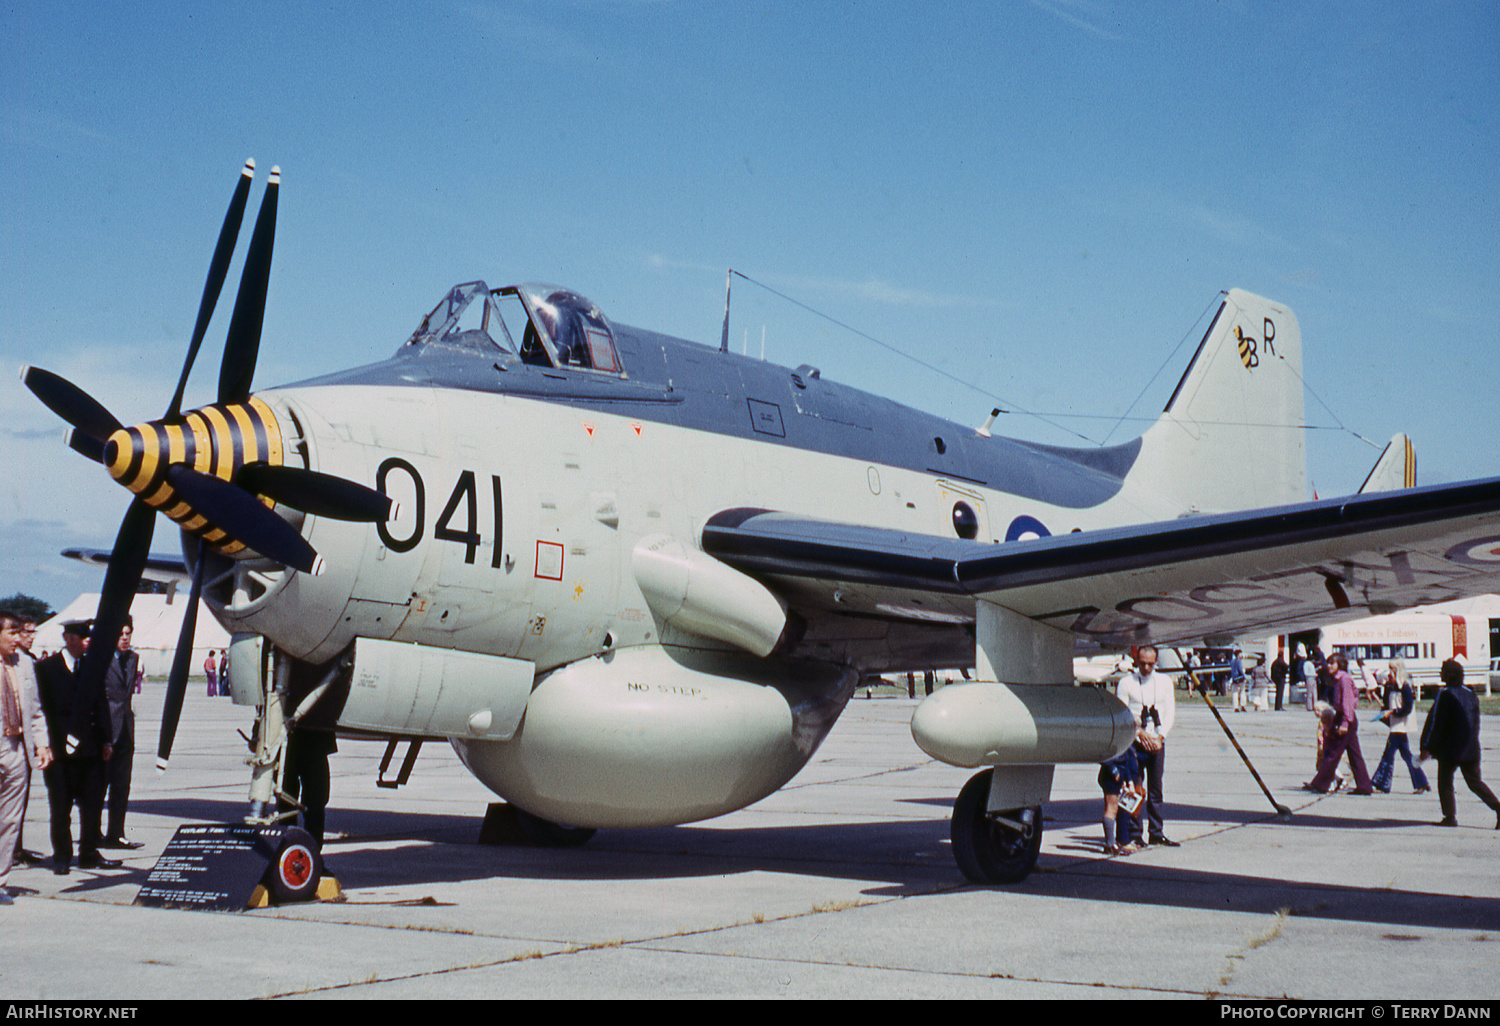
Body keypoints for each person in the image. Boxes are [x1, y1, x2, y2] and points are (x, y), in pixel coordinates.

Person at [34, 620, 119, 873]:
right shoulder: (46, 669)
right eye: (83, 637)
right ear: (68, 638)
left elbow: (101, 704)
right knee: (60, 806)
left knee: (92, 804)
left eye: (89, 637)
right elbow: (41, 710)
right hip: (59, 752)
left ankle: (89, 853)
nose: (88, 641)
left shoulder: (91, 668)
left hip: (90, 749)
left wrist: (106, 740)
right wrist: (44, 745)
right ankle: (62, 856)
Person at [0, 612, 53, 902]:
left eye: (22, 633)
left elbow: (35, 710)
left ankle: (0, 881)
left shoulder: (26, 664)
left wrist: (41, 745)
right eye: (12, 633)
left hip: (16, 747)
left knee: (10, 818)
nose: (19, 639)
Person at [1418, 658, 1500, 829]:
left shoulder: (1445, 694)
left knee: (1445, 782)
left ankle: (1450, 817)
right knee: (1475, 783)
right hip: (1471, 747)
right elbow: (1475, 722)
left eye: (1442, 671)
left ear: (1448, 675)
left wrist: (1426, 747)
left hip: (1451, 750)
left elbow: (1435, 723)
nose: (1440, 674)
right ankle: (1498, 807)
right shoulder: (1471, 694)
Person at [1116, 645, 1180, 846]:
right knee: (1135, 789)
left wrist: (1160, 737)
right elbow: (1122, 713)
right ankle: (1135, 833)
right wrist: (1139, 733)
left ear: (1156, 663)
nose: (1146, 668)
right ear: (1136, 662)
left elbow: (1170, 712)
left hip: (1157, 742)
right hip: (1135, 744)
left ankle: (1156, 832)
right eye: (1142, 664)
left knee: (1155, 789)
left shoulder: (1164, 682)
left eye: (1150, 664)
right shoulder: (1126, 682)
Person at [1303, 652, 1374, 794]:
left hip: (1346, 718)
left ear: (1340, 665)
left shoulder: (1344, 680)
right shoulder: (1338, 679)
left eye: (1332, 663)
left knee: (1333, 753)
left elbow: (1348, 703)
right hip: (1343, 717)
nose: (1328, 666)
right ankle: (1364, 786)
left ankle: (1320, 784)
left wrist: (1345, 723)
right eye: (1328, 663)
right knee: (1355, 755)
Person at [100, 618, 142, 850]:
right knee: (100, 784)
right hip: (107, 730)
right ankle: (94, 833)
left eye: (128, 633)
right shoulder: (101, 659)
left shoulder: (132, 659)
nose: (125, 638)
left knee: (122, 785)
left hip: (126, 728)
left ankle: (116, 834)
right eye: (120, 634)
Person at [1371, 659, 1428, 795]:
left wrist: (1393, 712)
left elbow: (1407, 708)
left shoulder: (1405, 686)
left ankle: (1381, 783)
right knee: (1406, 755)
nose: (1390, 671)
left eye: (1393, 669)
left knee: (1388, 754)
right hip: (1395, 724)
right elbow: (1386, 703)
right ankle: (1421, 782)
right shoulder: (1391, 685)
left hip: (1400, 725)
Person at [278, 727, 337, 847]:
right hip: (289, 736)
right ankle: (285, 850)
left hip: (316, 735)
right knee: (286, 797)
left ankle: (313, 853)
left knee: (316, 799)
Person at [1097, 744, 1144, 855]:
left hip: (1118, 773)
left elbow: (1125, 760)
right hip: (1111, 776)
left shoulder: (1123, 741)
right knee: (1111, 809)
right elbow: (1103, 755)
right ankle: (1110, 844)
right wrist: (1114, 771)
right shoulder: (1115, 738)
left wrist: (1128, 780)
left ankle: (1111, 843)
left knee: (1113, 809)